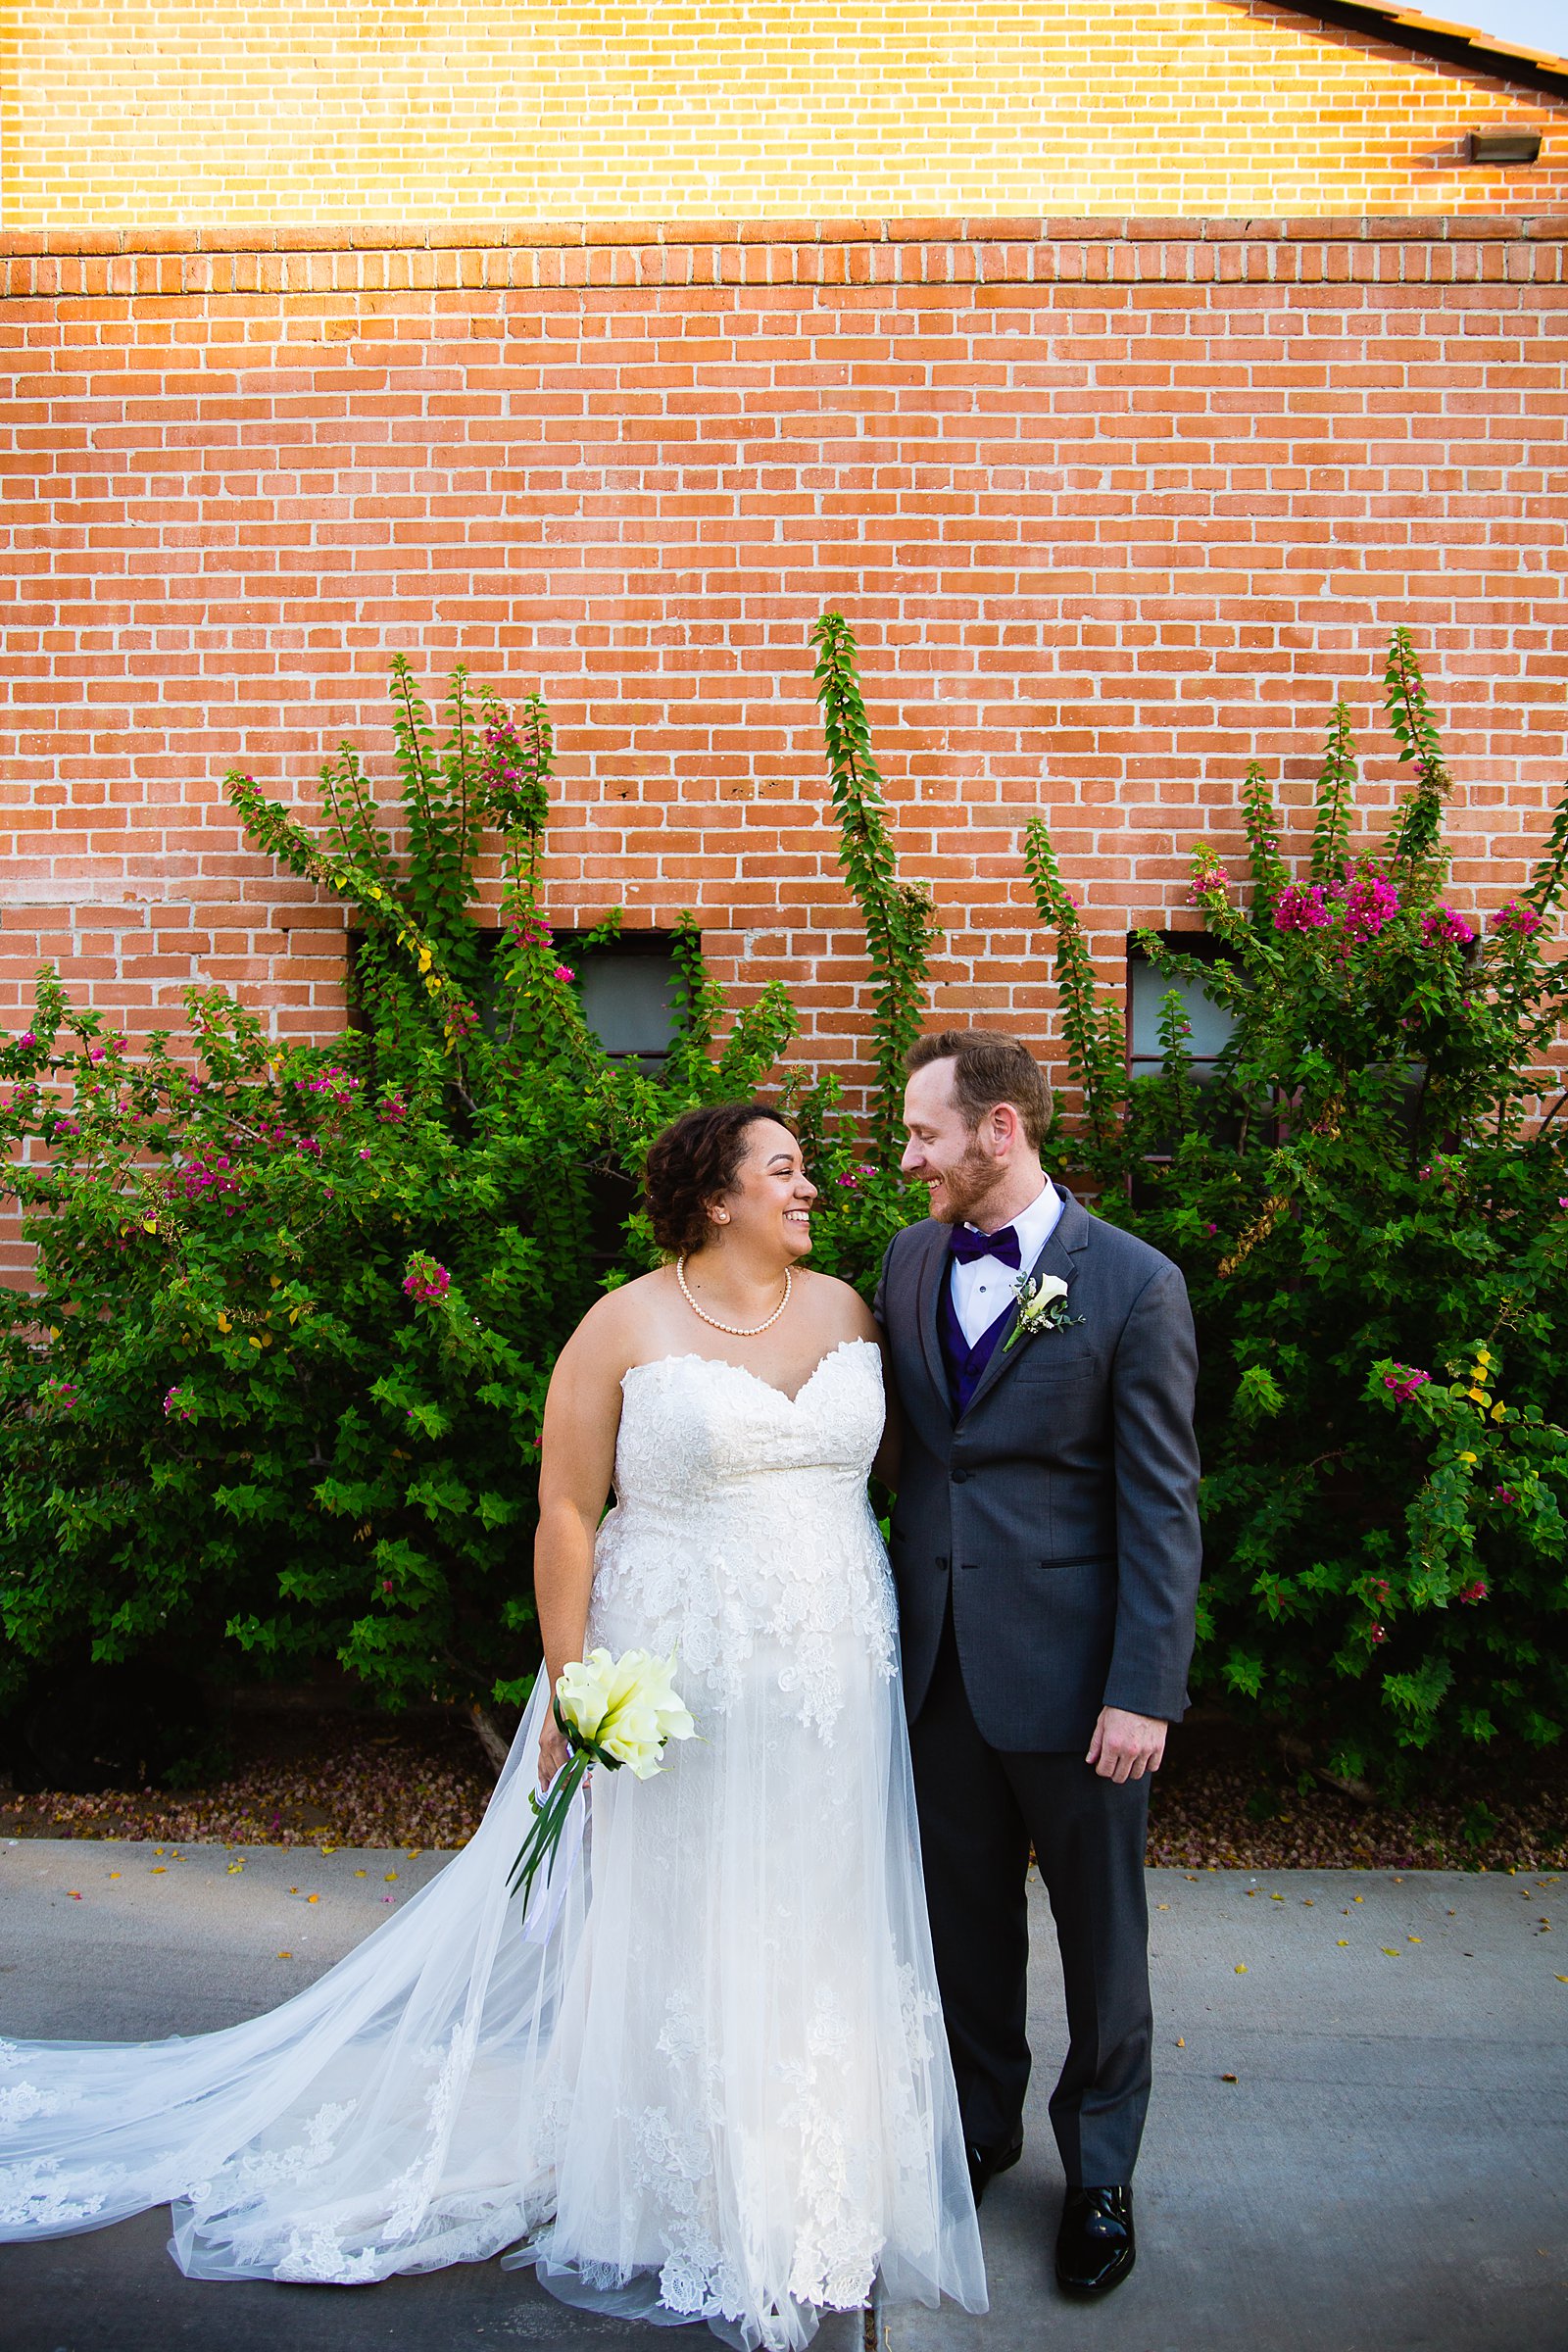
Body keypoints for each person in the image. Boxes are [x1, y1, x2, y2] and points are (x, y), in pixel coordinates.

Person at [0, 1101, 985, 2352]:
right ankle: (682, 2177)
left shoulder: (851, 1309)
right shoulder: (621, 1323)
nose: (810, 1188)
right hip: (676, 1667)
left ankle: (815, 2172)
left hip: (836, 1674)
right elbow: (567, 1512)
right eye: (784, 1170)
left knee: (818, 1909)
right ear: (717, 1197)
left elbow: (905, 1471)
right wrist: (574, 1685)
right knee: (686, 1914)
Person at [875, 1029, 1201, 2301]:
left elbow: (1163, 1506)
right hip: (939, 1670)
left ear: (997, 1132)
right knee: (964, 1927)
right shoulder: (908, 1265)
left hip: (1079, 1685)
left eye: (923, 1134)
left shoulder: (1131, 1284)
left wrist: (1144, 1687)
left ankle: (1102, 2170)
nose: (908, 1158)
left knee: (1102, 1936)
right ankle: (979, 2126)